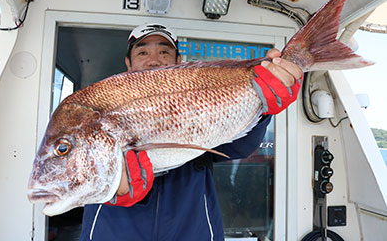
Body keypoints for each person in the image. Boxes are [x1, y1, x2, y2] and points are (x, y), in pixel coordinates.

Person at [79, 23, 302, 241]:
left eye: (164, 51)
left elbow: (238, 147)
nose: (154, 60)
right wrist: (109, 191)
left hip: (192, 230)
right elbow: (78, 169)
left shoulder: (198, 104)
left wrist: (263, 109)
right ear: (128, 63)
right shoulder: (104, 106)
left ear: (178, 61)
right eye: (143, 52)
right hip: (112, 231)